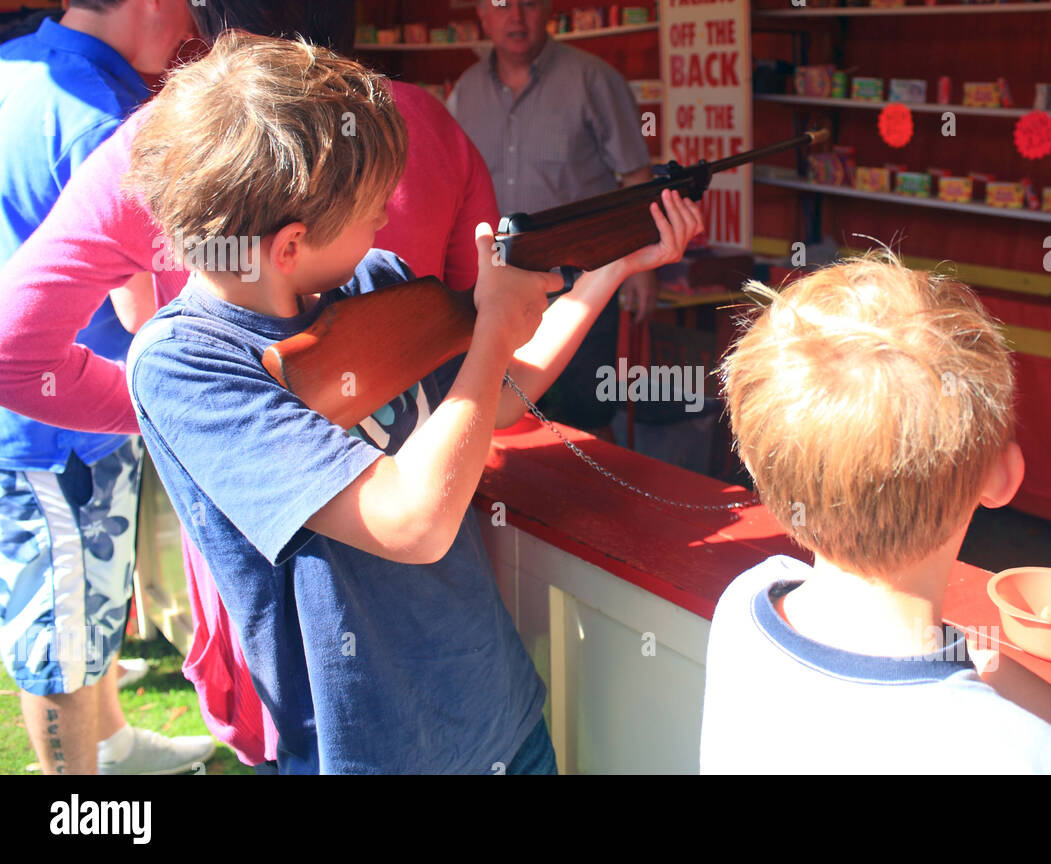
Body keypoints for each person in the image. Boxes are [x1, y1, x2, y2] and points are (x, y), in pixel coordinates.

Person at [123, 31, 702, 773]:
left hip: (499, 715)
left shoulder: (372, 281)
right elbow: (412, 522)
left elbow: (494, 399)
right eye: (372, 209)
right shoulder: (186, 365)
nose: (383, 222)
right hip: (370, 751)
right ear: (291, 246)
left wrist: (610, 264)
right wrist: (491, 326)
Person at [0, 0, 501, 772]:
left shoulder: (169, 138)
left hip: (398, 601)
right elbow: (474, 318)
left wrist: (178, 425)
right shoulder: (417, 118)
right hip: (418, 586)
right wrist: (178, 417)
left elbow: (16, 346)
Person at [702, 252, 1051, 774]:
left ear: (757, 462)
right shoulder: (1020, 756)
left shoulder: (748, 601)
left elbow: (939, 660)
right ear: (1003, 475)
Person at [0, 0, 213, 775]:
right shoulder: (108, 119)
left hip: (55, 414)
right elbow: (146, 302)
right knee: (57, 638)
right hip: (57, 427)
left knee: (84, 610)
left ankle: (112, 747)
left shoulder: (19, 68)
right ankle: (77, 801)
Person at [448, 0, 657, 439]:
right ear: (482, 16)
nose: (516, 17)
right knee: (499, 410)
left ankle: (599, 504)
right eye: (502, 6)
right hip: (495, 286)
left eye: (529, 4)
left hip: (583, 280)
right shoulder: (465, 92)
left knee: (588, 412)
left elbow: (637, 176)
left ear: (547, 11)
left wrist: (639, 271)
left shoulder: (593, 79)